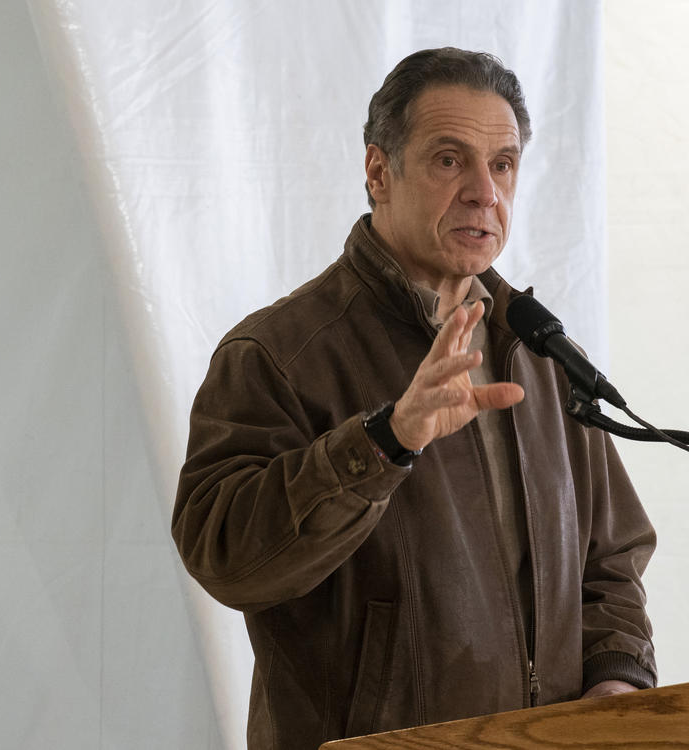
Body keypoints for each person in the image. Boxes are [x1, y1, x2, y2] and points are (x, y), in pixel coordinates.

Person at [172, 47, 656, 749]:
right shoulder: (278, 354)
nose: (484, 193)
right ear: (379, 172)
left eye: (503, 164)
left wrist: (615, 681)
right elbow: (228, 558)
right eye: (449, 160)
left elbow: (611, 556)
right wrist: (385, 440)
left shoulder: (541, 353)